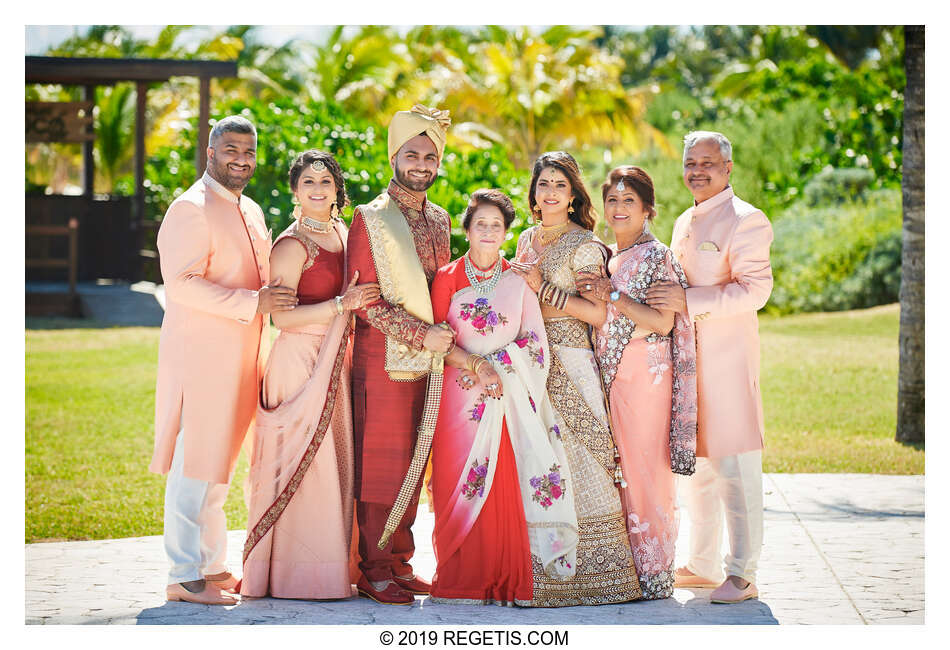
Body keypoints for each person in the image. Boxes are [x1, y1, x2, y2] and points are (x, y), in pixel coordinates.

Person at [151, 116, 298, 605]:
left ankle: (212, 566)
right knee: (195, 465)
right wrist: (251, 303)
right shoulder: (189, 208)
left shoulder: (250, 209)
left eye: (249, 152)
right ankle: (182, 573)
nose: (242, 159)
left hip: (243, 358)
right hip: (203, 357)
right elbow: (182, 285)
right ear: (210, 151)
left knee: (220, 467)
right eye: (231, 149)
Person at [241, 151, 381, 599]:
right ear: (295, 191)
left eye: (325, 180)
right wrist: (343, 306)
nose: (317, 189)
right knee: (306, 469)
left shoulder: (344, 232)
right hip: (299, 361)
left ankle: (330, 569)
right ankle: (289, 575)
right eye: (308, 182)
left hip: (337, 361)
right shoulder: (291, 245)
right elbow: (282, 319)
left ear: (338, 188)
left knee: (333, 468)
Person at [429, 189, 578, 607]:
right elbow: (436, 339)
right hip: (459, 402)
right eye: (481, 225)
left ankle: (502, 578)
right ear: (468, 230)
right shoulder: (447, 277)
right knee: (453, 483)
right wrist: (478, 365)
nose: (489, 232)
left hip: (506, 399)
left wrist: (501, 367)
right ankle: (459, 580)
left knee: (500, 484)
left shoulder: (519, 279)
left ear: (507, 231)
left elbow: (534, 343)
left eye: (497, 225)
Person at [645, 131, 773, 604]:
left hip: (727, 362)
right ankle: (701, 563)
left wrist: (689, 301)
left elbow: (755, 290)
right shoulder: (684, 219)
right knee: (696, 466)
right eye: (690, 163)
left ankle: (742, 573)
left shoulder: (747, 220)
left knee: (735, 466)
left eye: (708, 163)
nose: (697, 171)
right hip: (684, 362)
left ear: (728, 167)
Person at [510, 151, 641, 607]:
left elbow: (596, 312)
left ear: (572, 196)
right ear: (533, 193)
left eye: (559, 185)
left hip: (569, 358)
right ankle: (542, 572)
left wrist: (542, 291)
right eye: (543, 183)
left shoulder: (584, 244)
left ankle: (600, 575)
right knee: (539, 459)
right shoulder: (525, 241)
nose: (549, 192)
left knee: (582, 460)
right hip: (529, 361)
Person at [346, 105, 455, 605]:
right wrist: (421, 335)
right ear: (394, 155)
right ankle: (374, 568)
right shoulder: (369, 217)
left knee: (416, 463)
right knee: (381, 466)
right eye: (412, 154)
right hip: (382, 361)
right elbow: (367, 301)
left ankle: (401, 562)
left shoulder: (440, 218)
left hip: (430, 364)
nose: (421, 164)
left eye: (430, 156)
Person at [575, 166, 697, 600]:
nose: (619, 207)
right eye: (612, 200)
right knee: (620, 468)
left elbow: (662, 322)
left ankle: (654, 569)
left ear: (648, 209)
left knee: (645, 467)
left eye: (629, 201)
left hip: (645, 375)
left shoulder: (656, 256)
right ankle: (624, 566)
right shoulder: (605, 254)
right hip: (610, 375)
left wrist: (611, 295)